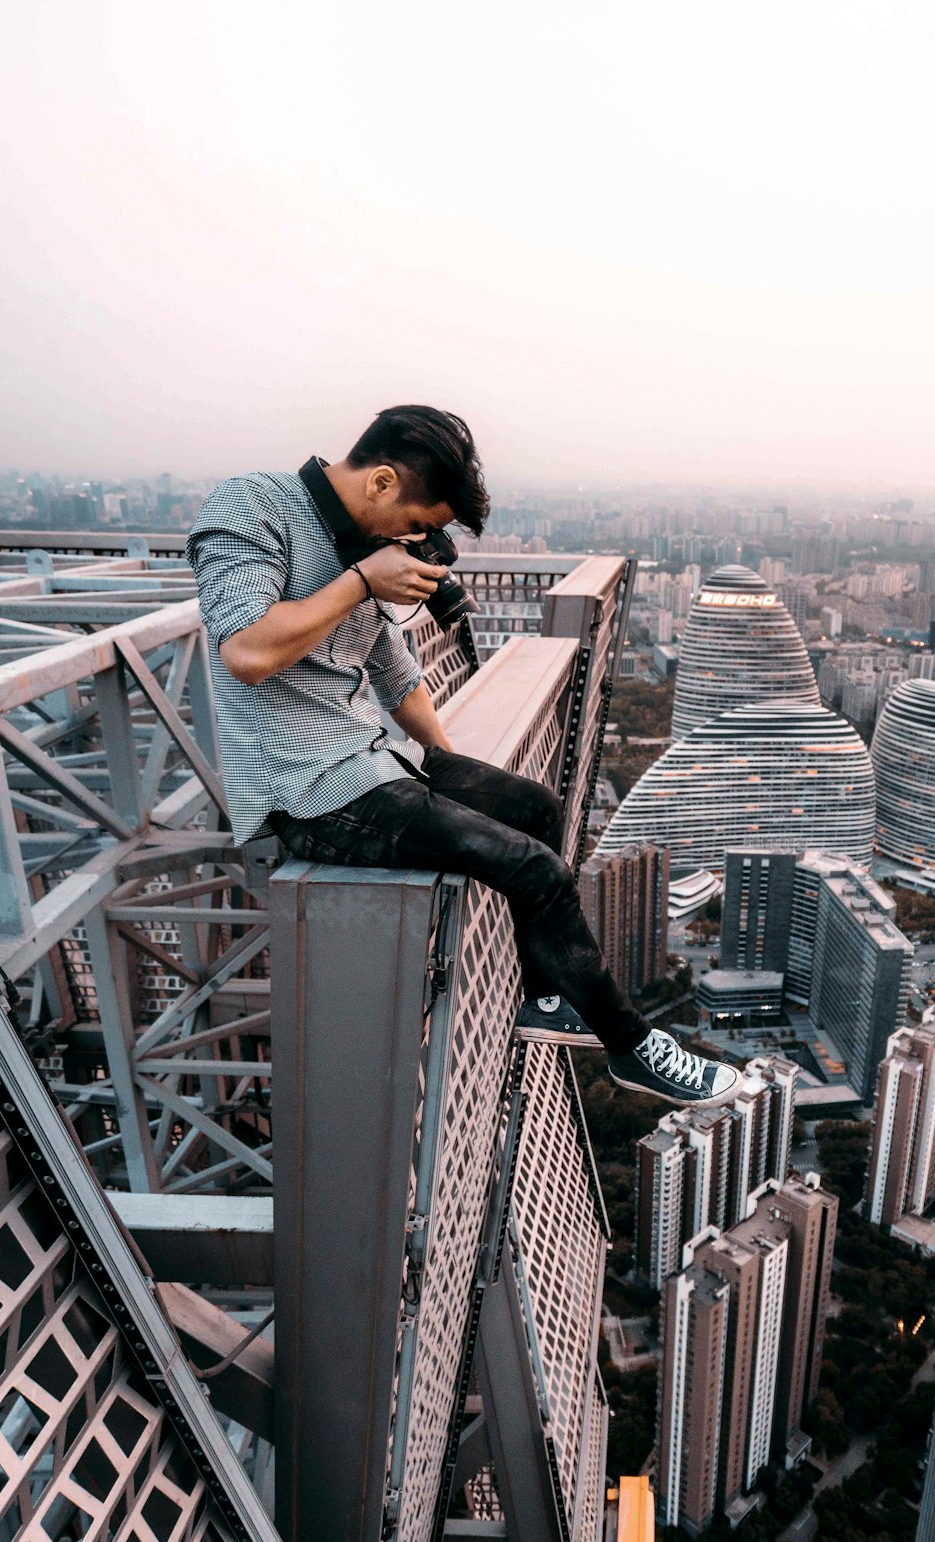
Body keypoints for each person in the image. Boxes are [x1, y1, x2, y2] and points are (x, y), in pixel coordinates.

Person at [187, 404, 739, 1105]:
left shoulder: (361, 542)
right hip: (306, 790)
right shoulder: (253, 506)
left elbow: (389, 668)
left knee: (534, 809)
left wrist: (447, 771)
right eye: (418, 523)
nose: (417, 540)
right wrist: (362, 581)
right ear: (382, 482)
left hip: (379, 759)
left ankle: (541, 1000)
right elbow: (246, 652)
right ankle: (632, 1049)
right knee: (531, 869)